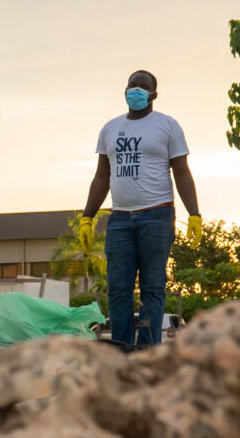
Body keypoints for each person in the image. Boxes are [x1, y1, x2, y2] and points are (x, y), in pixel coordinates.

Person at [78, 70, 202, 345]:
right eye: (133, 84)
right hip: (119, 219)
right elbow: (101, 177)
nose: (136, 90)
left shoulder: (167, 126)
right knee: (118, 290)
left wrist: (194, 214)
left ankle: (147, 352)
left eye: (144, 86)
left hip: (157, 216)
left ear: (154, 94)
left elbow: (182, 173)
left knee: (152, 289)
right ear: (125, 89)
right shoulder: (110, 128)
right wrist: (87, 217)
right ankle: (121, 350)